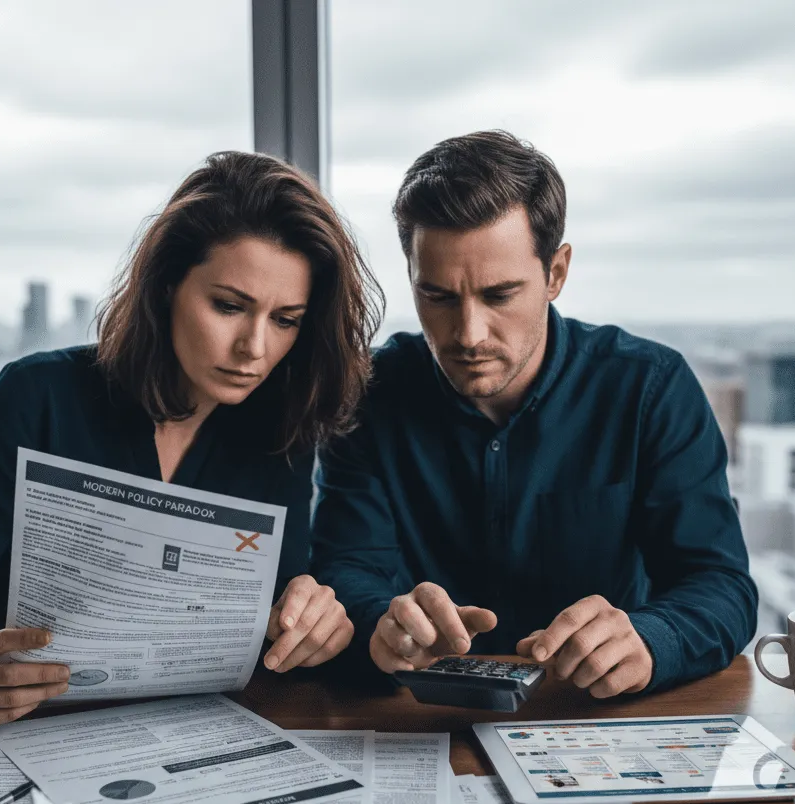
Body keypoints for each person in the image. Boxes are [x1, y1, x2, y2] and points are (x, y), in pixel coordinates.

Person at [0, 151, 383, 726]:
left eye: (285, 319)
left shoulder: (282, 431)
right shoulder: (35, 397)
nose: (255, 348)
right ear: (168, 284)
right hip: (22, 738)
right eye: (228, 306)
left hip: (192, 741)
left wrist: (314, 626)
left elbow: (271, 626)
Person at [311, 130, 757, 697]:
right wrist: (382, 624)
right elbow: (345, 570)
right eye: (439, 297)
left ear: (556, 274)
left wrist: (650, 639)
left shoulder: (650, 388)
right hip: (419, 714)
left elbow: (720, 584)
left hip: (597, 718)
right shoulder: (368, 395)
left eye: (499, 296)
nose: (468, 335)